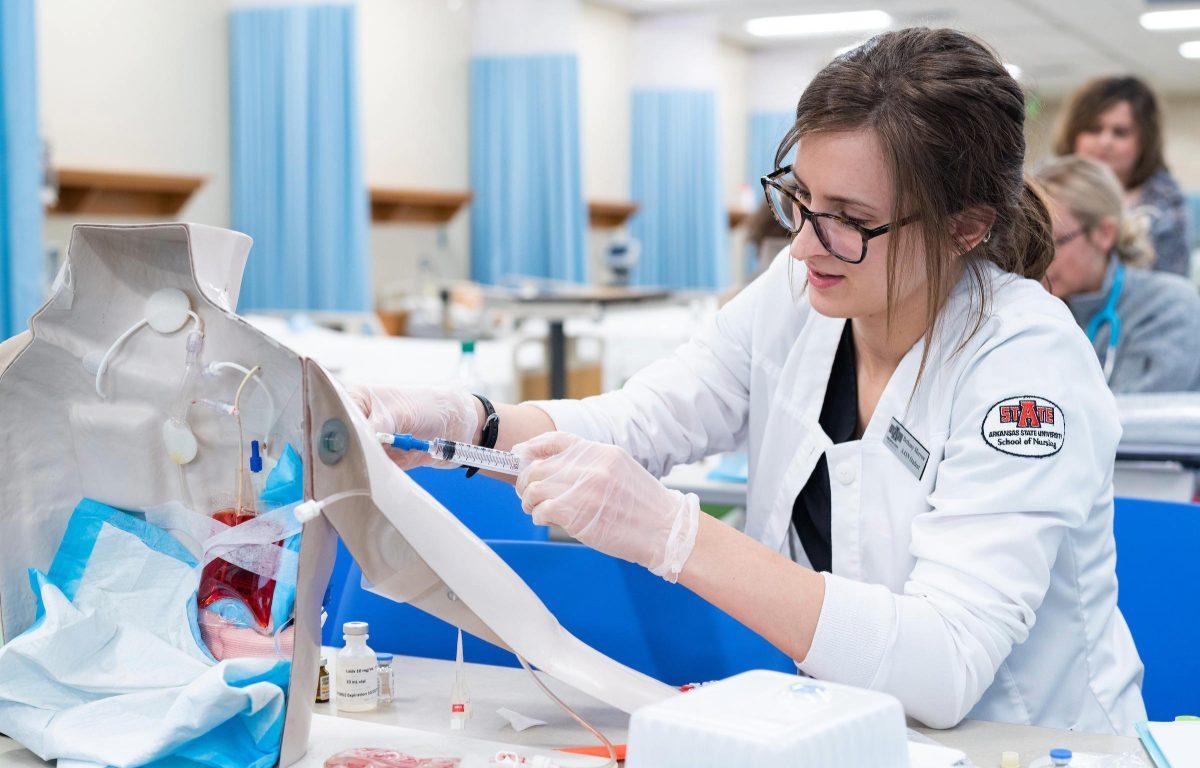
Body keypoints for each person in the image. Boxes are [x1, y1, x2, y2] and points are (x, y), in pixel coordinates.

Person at [354, 28, 1145, 733]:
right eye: (798, 200)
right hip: (849, 728)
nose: (804, 245)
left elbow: (943, 666)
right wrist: (470, 423)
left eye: (847, 216)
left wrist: (677, 534)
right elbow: (647, 418)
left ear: (964, 226)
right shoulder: (803, 289)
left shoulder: (1025, 366)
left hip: (1033, 740)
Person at [1034, 155, 1200, 393]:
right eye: (1032, 245)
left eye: (1054, 242)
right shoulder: (1040, 314)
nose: (1040, 260)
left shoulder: (1170, 306)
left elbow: (1139, 420)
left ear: (1104, 233)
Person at [1054, 76, 1192, 276]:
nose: (1105, 142)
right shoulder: (1042, 190)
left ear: (1144, 142)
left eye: (1120, 132)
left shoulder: (1168, 207)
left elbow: (1172, 284)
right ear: (1073, 133)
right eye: (1094, 129)